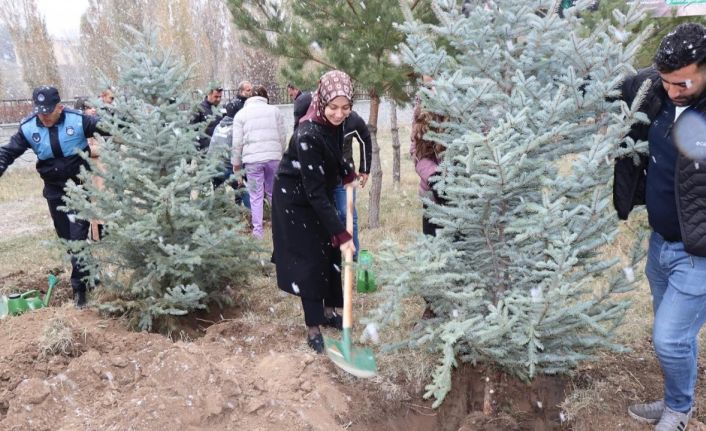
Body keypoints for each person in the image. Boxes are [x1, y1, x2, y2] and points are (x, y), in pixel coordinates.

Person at [616, 23, 706, 430]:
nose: (672, 91)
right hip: (661, 245)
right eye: (666, 81)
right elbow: (602, 87)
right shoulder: (653, 87)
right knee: (673, 338)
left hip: (699, 253)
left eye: (682, 82)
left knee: (669, 339)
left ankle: (680, 411)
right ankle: (674, 398)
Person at [272, 70, 358, 353]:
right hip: (295, 201)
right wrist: (341, 232)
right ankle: (313, 328)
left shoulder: (334, 125)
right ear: (322, 102)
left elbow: (332, 154)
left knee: (330, 254)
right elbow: (315, 192)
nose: (338, 114)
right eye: (333, 107)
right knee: (309, 262)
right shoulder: (307, 133)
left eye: (345, 108)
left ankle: (331, 312)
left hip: (316, 193)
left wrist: (346, 171)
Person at [0, 86, 103, 307]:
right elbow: (8, 152)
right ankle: (91, 274)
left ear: (60, 107)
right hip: (54, 191)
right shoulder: (29, 128)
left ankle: (79, 292)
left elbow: (110, 127)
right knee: (67, 240)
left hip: (79, 188)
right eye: (40, 111)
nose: (44, 116)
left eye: (48, 111)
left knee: (77, 240)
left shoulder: (78, 121)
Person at [232, 85, 286, 238]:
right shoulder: (275, 111)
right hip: (273, 158)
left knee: (255, 196)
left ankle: (258, 231)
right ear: (265, 97)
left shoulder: (241, 115)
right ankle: (279, 227)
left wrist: (236, 165)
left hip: (252, 161)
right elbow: (282, 135)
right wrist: (280, 153)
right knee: (273, 193)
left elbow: (237, 143)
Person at [332, 110, 371, 256]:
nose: (340, 112)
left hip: (345, 177)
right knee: (327, 217)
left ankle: (353, 257)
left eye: (345, 107)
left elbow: (365, 138)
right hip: (323, 178)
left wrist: (365, 169)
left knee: (347, 214)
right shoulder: (319, 117)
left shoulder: (353, 120)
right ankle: (330, 259)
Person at [411, 110, 446, 236]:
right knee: (433, 242)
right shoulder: (423, 110)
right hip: (432, 192)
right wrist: (434, 177)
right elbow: (417, 152)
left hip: (465, 196)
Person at [190, 83, 223, 151]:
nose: (218, 99)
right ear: (209, 94)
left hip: (218, 148)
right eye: (216, 97)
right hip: (204, 150)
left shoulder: (221, 109)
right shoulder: (199, 109)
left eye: (220, 97)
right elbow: (192, 130)